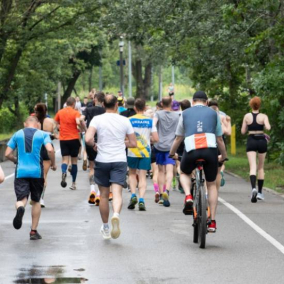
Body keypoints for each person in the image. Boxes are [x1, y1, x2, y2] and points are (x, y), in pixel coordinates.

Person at [169, 91, 228, 233]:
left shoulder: (185, 113)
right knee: (211, 184)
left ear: (193, 101)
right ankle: (212, 221)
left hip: (191, 150)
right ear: (206, 102)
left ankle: (188, 195)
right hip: (210, 151)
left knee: (183, 171)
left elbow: (178, 138)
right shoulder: (214, 114)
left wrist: (172, 153)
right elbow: (219, 139)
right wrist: (223, 156)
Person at [85, 94, 137, 240]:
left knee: (103, 196)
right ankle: (116, 215)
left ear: (103, 106)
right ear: (117, 105)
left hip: (102, 160)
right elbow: (133, 143)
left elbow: (88, 138)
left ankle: (106, 227)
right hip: (119, 160)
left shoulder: (97, 119)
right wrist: (122, 143)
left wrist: (95, 145)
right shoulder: (124, 120)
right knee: (117, 193)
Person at [5, 116, 57, 240]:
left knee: (21, 199)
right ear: (38, 124)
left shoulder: (17, 134)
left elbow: (7, 154)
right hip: (37, 172)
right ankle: (33, 232)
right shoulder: (43, 134)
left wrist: (15, 160)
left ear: (25, 124)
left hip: (21, 172)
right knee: (36, 201)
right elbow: (50, 150)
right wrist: (53, 163)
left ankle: (20, 208)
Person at [127, 99, 158, 211]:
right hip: (145, 152)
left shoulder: (129, 120)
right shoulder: (149, 121)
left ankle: (133, 195)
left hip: (132, 151)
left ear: (135, 107)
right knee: (142, 176)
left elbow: (125, 137)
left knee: (132, 174)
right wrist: (147, 140)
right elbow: (156, 139)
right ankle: (141, 200)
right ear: (145, 108)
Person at [241, 96, 271, 202]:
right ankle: (260, 192)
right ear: (259, 105)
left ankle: (253, 188)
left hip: (251, 141)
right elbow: (268, 127)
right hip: (262, 141)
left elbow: (243, 131)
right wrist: (264, 125)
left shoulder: (247, 116)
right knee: (261, 167)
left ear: (251, 105)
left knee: (252, 166)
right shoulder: (263, 116)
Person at [153, 96, 180, 207]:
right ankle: (167, 191)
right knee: (169, 170)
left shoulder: (158, 114)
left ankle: (160, 193)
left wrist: (154, 136)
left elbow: (153, 124)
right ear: (171, 103)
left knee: (160, 171)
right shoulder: (177, 115)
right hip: (171, 147)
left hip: (159, 146)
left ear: (162, 104)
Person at [54, 97, 86, 190]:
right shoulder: (76, 112)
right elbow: (80, 122)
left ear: (66, 103)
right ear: (74, 104)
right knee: (74, 161)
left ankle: (64, 171)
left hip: (63, 139)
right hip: (74, 138)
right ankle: (73, 183)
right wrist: (84, 129)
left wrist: (59, 128)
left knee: (65, 160)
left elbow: (55, 122)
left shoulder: (60, 112)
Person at [82, 92, 105, 205]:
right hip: (103, 140)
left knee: (92, 167)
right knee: (102, 167)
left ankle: (92, 190)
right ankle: (100, 194)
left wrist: (86, 130)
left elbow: (80, 120)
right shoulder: (106, 111)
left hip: (91, 139)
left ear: (95, 99)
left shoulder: (89, 109)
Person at [34, 103, 58, 208]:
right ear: (46, 110)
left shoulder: (33, 122)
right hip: (47, 146)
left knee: (36, 174)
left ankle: (35, 194)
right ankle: (41, 198)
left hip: (36, 147)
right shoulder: (51, 121)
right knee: (44, 175)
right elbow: (56, 135)